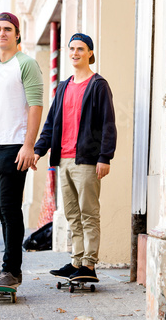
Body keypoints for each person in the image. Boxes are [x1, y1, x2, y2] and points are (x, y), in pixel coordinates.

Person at [33, 33, 117, 281]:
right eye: (71, 49)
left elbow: (108, 124)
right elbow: (51, 123)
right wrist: (39, 149)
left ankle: (89, 265)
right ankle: (76, 260)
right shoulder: (63, 87)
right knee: (71, 213)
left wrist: (105, 156)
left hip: (88, 160)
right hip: (64, 159)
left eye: (80, 49)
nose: (75, 53)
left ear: (90, 53)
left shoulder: (98, 85)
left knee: (88, 213)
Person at [0, 12, 43, 288]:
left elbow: (36, 105)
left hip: (14, 147)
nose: (2, 33)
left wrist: (29, 145)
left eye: (7, 29)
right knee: (1, 211)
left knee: (11, 210)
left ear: (17, 35)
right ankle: (7, 268)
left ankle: (11, 271)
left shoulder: (26, 64)